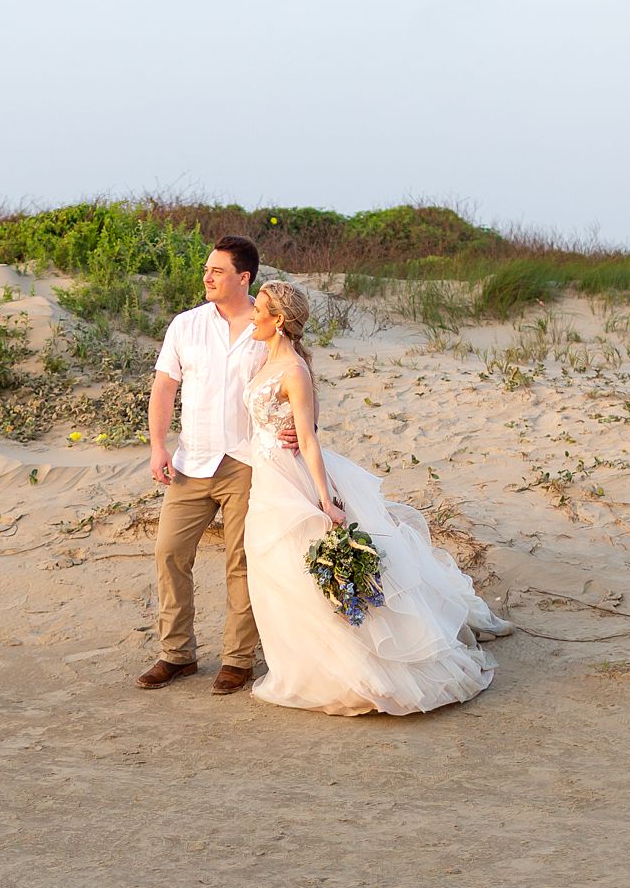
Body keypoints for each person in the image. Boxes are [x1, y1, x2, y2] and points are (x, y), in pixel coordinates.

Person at [240, 279, 511, 716]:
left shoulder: (293, 370)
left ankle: (355, 672)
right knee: (276, 570)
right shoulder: (263, 361)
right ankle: (301, 667)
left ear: (279, 321)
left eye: (260, 310)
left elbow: (307, 439)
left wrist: (326, 500)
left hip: (291, 478)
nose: (252, 315)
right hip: (266, 477)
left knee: (303, 568)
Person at [136, 235, 295, 696]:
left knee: (240, 563)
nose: (207, 277)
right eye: (207, 270)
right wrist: (157, 446)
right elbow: (164, 388)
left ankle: (237, 660)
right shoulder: (185, 325)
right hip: (190, 460)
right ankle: (177, 655)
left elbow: (297, 379)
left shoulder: (267, 327)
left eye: (217, 271)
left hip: (246, 462)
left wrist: (302, 430)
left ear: (243, 278)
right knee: (169, 552)